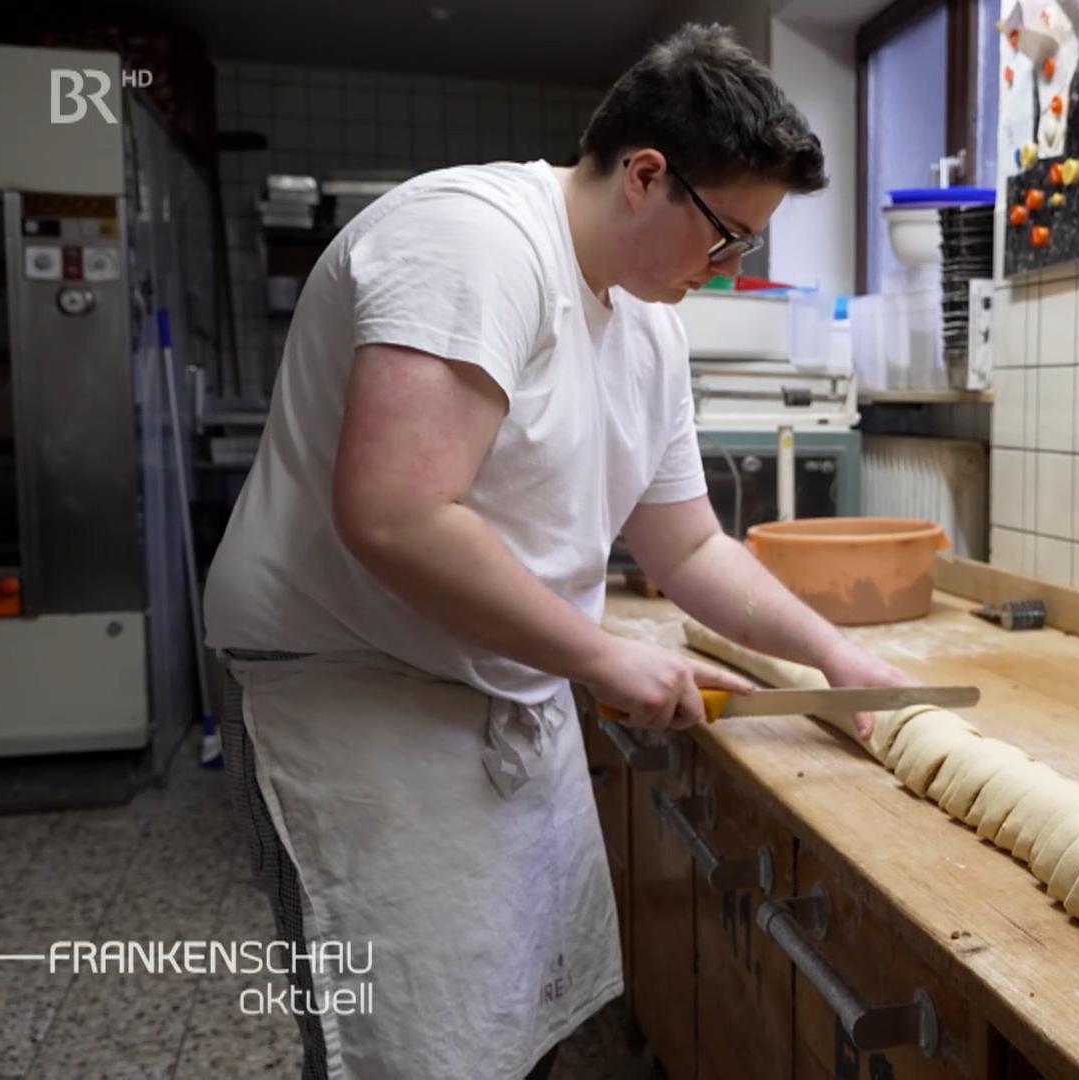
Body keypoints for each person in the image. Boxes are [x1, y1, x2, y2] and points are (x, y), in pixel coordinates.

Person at [202, 23, 915, 1079]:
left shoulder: (648, 326)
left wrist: (831, 655)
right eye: (727, 238)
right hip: (352, 691)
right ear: (645, 175)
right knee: (401, 1047)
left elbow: (686, 546)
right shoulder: (472, 244)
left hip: (495, 689)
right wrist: (601, 656)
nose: (728, 270)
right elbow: (396, 513)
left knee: (510, 1023)